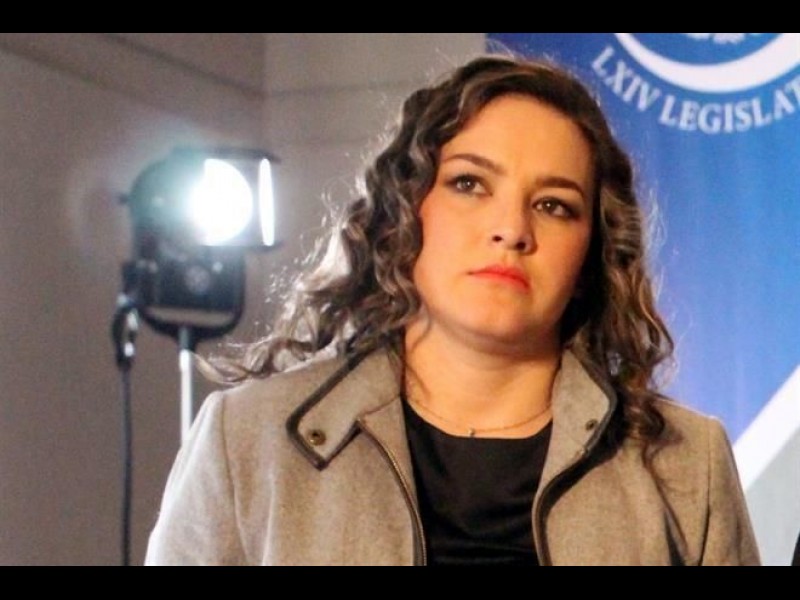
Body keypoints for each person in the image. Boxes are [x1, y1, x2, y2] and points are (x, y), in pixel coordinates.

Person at [144, 52, 760, 566]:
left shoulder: (688, 464)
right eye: (470, 184)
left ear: (591, 254)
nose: (511, 229)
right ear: (405, 211)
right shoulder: (246, 441)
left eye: (553, 205)